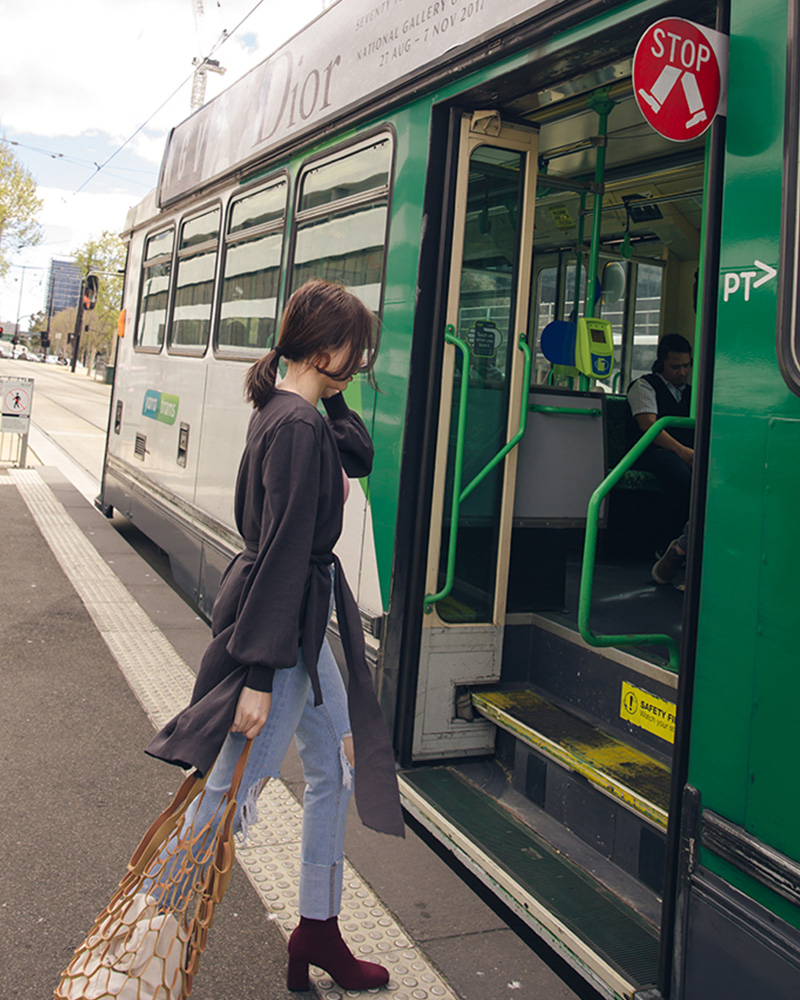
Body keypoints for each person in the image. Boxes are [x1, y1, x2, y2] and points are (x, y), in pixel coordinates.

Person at [146, 279, 404, 992]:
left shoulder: (295, 410)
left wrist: (329, 382)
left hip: (296, 616)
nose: (364, 360)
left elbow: (358, 455)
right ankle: (145, 939)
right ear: (326, 347)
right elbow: (288, 547)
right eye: (355, 349)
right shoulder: (294, 426)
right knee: (235, 788)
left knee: (333, 770)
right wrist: (259, 676)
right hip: (282, 626)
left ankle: (317, 930)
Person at [627, 333, 694, 550]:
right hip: (649, 453)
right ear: (661, 363)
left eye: (686, 366)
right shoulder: (644, 386)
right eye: (675, 367)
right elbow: (648, 427)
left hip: (682, 452)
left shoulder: (693, 393)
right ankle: (667, 543)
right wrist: (682, 451)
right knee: (679, 474)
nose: (682, 372)